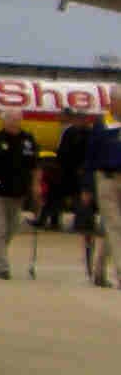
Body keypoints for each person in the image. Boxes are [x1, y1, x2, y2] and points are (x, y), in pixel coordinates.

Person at [0, 109, 43, 279]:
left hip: (18, 192)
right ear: (3, 121)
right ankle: (1, 267)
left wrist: (36, 186)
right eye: (11, 119)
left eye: (17, 119)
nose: (14, 122)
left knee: (11, 229)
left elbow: (35, 166)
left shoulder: (28, 141)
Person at [85, 110, 120, 287]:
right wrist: (87, 186)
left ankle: (99, 271)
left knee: (111, 228)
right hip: (106, 178)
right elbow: (91, 156)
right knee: (116, 225)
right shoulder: (103, 124)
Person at [46, 108, 93, 231]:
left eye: (81, 119)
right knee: (56, 196)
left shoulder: (88, 134)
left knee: (80, 197)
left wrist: (84, 167)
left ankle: (82, 223)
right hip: (66, 170)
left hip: (79, 171)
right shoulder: (70, 132)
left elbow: (90, 152)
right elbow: (63, 151)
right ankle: (53, 221)